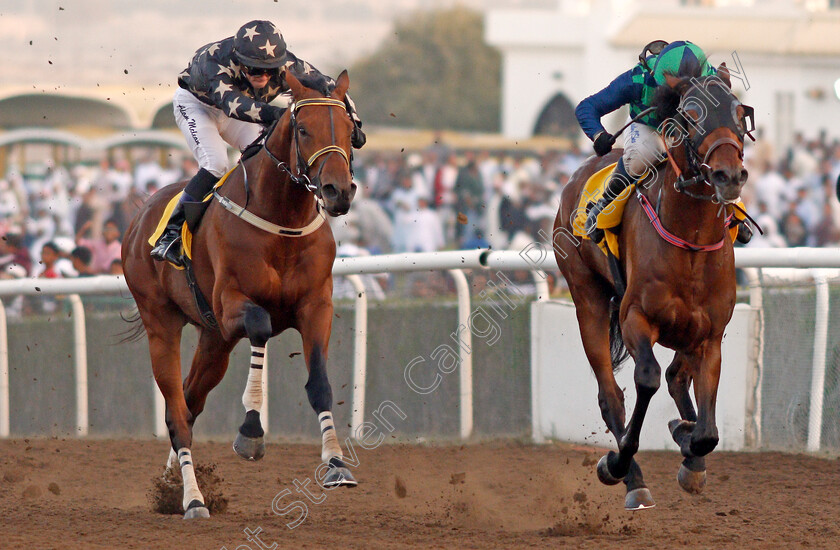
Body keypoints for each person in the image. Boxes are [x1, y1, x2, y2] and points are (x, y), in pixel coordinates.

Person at [151, 19, 366, 265]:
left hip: (242, 110)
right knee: (216, 163)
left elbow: (331, 85)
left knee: (265, 156)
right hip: (198, 106)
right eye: (253, 69)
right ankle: (172, 232)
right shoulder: (214, 62)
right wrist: (278, 115)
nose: (262, 75)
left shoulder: (288, 64)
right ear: (239, 60)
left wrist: (355, 124)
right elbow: (232, 104)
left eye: (269, 69)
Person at [575, 40, 750, 243]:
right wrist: (598, 135)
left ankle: (735, 209)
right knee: (641, 158)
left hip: (688, 127)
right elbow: (587, 107)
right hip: (648, 125)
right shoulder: (636, 79)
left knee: (715, 156)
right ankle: (604, 203)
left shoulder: (710, 77)